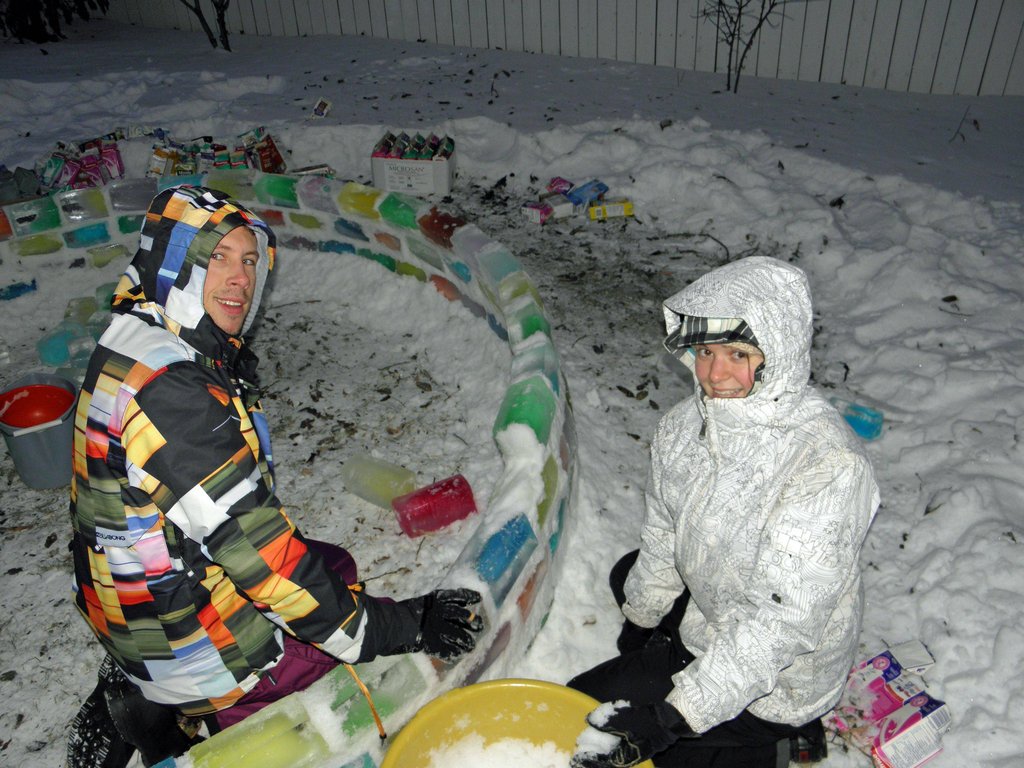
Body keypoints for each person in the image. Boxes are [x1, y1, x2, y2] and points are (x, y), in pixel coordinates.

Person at [66, 185, 483, 767]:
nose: (240, 278)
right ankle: (199, 718)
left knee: (335, 567)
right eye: (217, 258)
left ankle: (145, 673)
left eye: (250, 260)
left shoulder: (133, 340)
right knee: (327, 653)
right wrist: (408, 624)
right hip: (181, 633)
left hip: (128, 588)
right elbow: (266, 566)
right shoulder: (174, 396)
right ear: (173, 262)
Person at [568, 256, 879, 768]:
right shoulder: (683, 427)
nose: (716, 374)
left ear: (776, 354)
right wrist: (640, 623)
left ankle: (787, 733)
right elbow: (664, 531)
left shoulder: (828, 466)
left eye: (739, 353)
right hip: (708, 630)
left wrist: (673, 715)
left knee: (637, 755)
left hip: (781, 680)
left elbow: (781, 626)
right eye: (706, 351)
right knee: (580, 708)